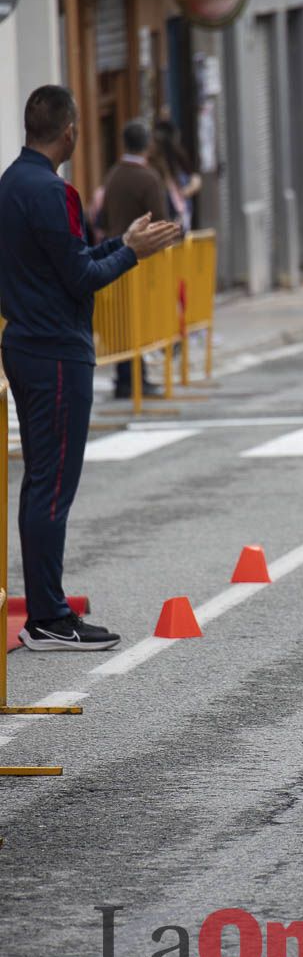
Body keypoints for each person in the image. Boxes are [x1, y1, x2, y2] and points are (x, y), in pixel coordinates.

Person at [0, 85, 181, 650]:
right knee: (52, 486)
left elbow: (67, 265)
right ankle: (49, 617)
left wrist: (121, 244)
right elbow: (79, 279)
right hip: (55, 350)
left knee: (42, 483)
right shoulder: (55, 193)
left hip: (27, 341)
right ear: (71, 132)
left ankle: (47, 609)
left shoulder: (10, 184)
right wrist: (133, 253)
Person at [100, 118, 168, 399]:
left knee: (121, 322)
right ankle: (136, 379)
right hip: (140, 260)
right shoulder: (148, 178)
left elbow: (102, 218)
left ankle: (124, 376)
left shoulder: (112, 175)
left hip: (115, 254)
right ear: (147, 146)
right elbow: (160, 220)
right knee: (138, 320)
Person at [150, 119, 201, 234]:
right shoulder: (154, 167)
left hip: (181, 216)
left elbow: (196, 179)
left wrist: (186, 191)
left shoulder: (178, 159)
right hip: (171, 219)